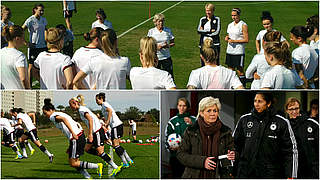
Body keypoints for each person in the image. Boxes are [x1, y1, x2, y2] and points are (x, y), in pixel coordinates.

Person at [233, 92, 298, 178]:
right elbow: (235, 145)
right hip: (246, 172)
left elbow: (291, 150)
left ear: (268, 103)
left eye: (260, 101)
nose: (256, 104)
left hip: (272, 173)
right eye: (255, 101)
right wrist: (233, 170)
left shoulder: (282, 122)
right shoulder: (244, 119)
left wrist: (291, 175)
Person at [42, 99, 103, 179]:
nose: (45, 115)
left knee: (73, 163)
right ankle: (88, 177)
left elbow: (64, 120)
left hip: (76, 138)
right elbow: (74, 122)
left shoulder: (53, 116)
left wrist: (73, 133)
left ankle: (97, 166)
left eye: (45, 113)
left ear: (50, 110)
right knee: (73, 162)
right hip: (78, 136)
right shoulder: (60, 113)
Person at [176, 96, 235, 178]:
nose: (212, 114)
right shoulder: (191, 131)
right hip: (195, 175)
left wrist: (233, 154)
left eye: (215, 111)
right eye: (209, 111)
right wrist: (202, 162)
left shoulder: (226, 131)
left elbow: (233, 150)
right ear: (201, 113)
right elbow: (181, 154)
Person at [69, 95, 122, 177]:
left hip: (96, 132)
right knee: (87, 149)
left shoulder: (82, 110)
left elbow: (90, 119)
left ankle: (115, 166)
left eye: (70, 104)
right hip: (96, 132)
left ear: (75, 103)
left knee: (100, 152)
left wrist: (90, 134)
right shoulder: (82, 109)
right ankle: (104, 156)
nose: (70, 107)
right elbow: (93, 117)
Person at [95, 92, 134, 168]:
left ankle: (125, 162)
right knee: (117, 145)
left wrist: (107, 122)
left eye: (97, 100)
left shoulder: (104, 104)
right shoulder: (103, 106)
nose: (96, 102)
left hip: (116, 126)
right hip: (116, 125)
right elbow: (109, 115)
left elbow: (110, 111)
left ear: (101, 99)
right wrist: (104, 120)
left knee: (115, 146)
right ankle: (129, 160)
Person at [285, 97, 319, 178]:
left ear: (299, 109)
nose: (294, 111)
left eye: (296, 108)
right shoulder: (284, 125)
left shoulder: (312, 123)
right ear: (287, 110)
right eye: (291, 109)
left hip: (312, 168)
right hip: (293, 169)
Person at [165, 98, 196, 178]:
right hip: (176, 157)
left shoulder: (194, 120)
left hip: (191, 156)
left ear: (188, 107)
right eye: (180, 105)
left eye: (184, 106)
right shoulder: (172, 121)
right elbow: (167, 137)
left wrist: (192, 124)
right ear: (177, 107)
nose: (182, 108)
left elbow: (200, 135)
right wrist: (170, 147)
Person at [22, 3, 48, 88]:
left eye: (43, 10)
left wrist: (47, 40)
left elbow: (46, 30)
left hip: (43, 46)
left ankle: (43, 84)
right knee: (31, 67)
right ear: (35, 10)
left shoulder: (43, 19)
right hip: (34, 47)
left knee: (42, 66)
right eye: (40, 10)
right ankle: (29, 86)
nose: (42, 12)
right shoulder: (30, 20)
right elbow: (21, 30)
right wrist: (26, 43)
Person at [1, 25, 30, 89]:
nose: (24, 40)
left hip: (3, 95)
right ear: (17, 38)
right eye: (23, 37)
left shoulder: (1, 52)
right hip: (18, 95)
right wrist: (29, 91)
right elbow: (23, 78)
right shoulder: (20, 56)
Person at [225, 8, 249, 87]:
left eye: (235, 15)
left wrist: (234, 41)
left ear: (239, 15)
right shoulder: (230, 25)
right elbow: (229, 35)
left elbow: (246, 39)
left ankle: (243, 86)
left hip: (238, 51)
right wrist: (227, 38)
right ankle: (231, 86)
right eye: (232, 15)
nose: (233, 17)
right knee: (230, 70)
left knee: (240, 70)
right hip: (229, 51)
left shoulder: (243, 25)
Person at [147, 13, 175, 78]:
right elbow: (148, 44)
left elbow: (173, 43)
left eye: (162, 21)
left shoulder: (168, 31)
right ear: (155, 22)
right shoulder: (151, 31)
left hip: (166, 58)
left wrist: (167, 45)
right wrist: (156, 47)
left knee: (169, 76)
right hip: (155, 58)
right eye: (159, 21)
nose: (161, 23)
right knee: (155, 77)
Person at [306, 15, 319, 88]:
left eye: (308, 27)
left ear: (315, 30)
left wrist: (314, 79)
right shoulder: (312, 42)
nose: (306, 30)